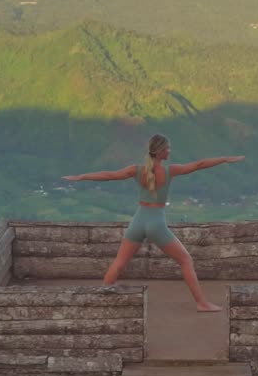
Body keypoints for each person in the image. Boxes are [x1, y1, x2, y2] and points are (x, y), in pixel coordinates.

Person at [62, 134, 245, 312]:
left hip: (138, 220)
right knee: (186, 260)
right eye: (167, 148)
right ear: (160, 152)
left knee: (119, 263)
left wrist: (81, 176)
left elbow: (109, 175)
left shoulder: (136, 170)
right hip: (156, 222)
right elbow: (199, 165)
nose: (169, 151)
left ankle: (100, 299)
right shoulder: (169, 171)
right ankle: (202, 303)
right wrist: (224, 159)